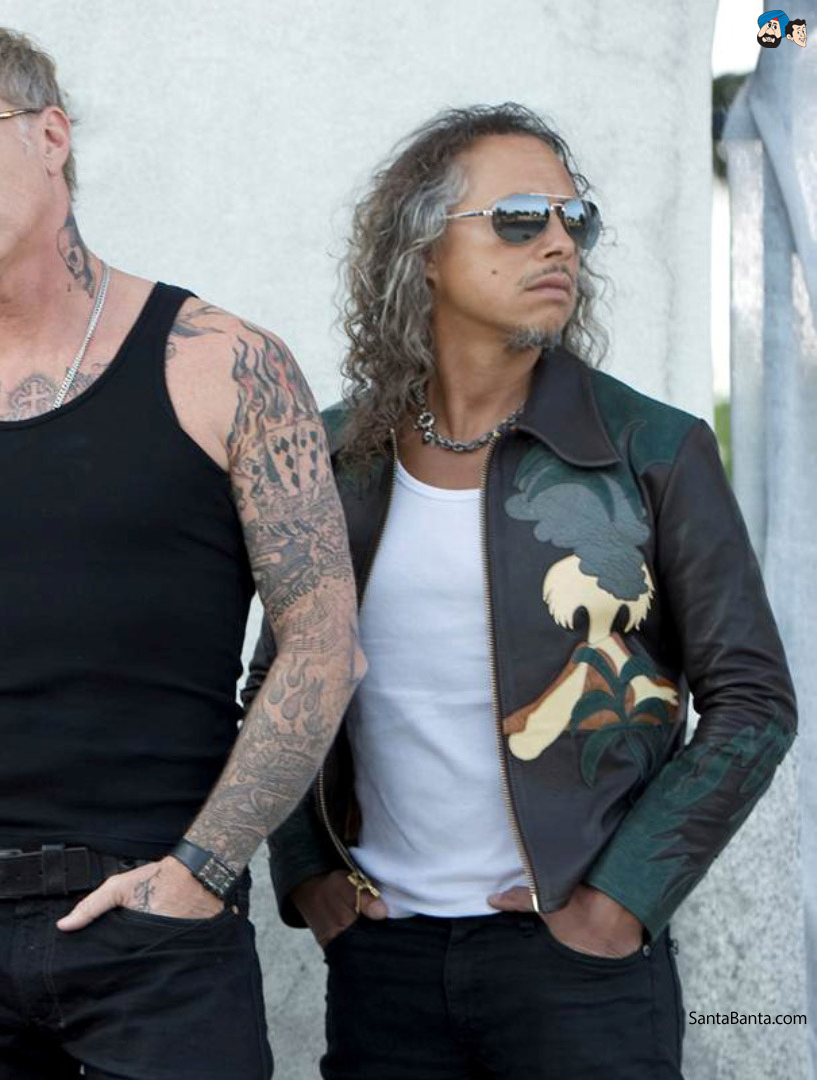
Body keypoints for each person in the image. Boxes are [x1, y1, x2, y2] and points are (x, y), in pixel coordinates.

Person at [0, 8, 362, 1078]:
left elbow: (323, 642)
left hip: (155, 925)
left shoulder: (223, 365)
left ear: (51, 135)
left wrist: (201, 869)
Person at [262, 103, 798, 1080]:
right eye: (517, 218)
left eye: (574, 218)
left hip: (579, 971)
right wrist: (308, 877)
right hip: (383, 962)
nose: (559, 242)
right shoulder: (334, 461)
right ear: (424, 251)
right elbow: (278, 689)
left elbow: (754, 702)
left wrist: (622, 901)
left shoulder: (651, 450)